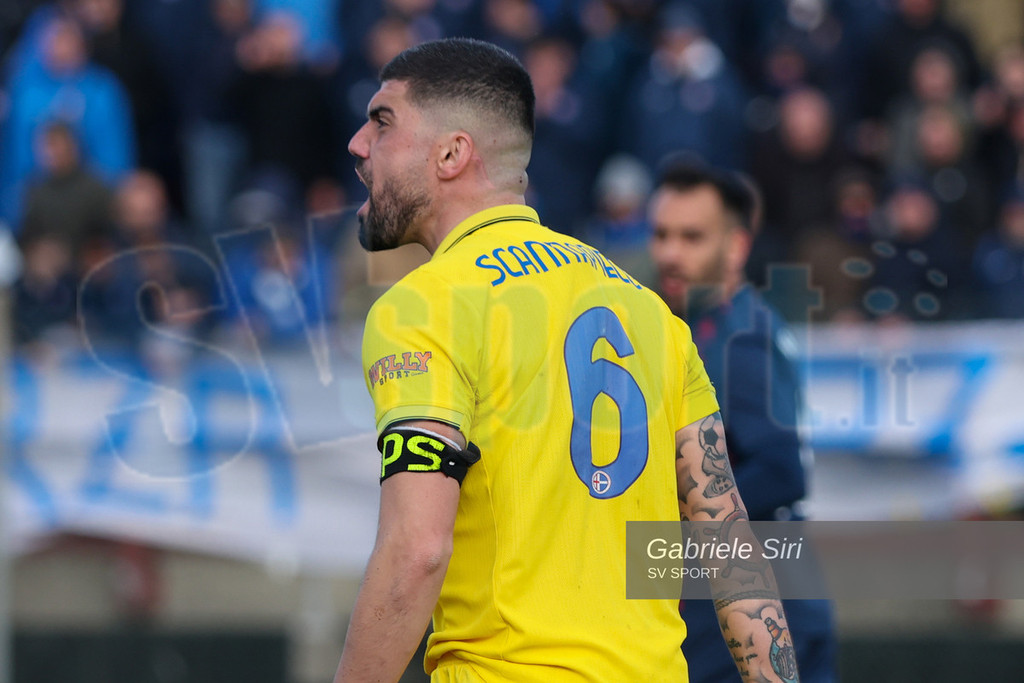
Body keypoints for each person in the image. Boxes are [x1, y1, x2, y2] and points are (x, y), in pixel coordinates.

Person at [334, 37, 799, 683]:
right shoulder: (650, 314)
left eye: (382, 122)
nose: (358, 143)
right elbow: (732, 550)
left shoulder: (424, 306)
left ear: (451, 154)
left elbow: (416, 550)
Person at [647, 160, 837, 682]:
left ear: (736, 247)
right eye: (661, 235)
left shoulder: (740, 337)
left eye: (692, 237)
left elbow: (782, 470)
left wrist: (673, 519)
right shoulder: (705, 327)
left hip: (765, 600)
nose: (670, 253)